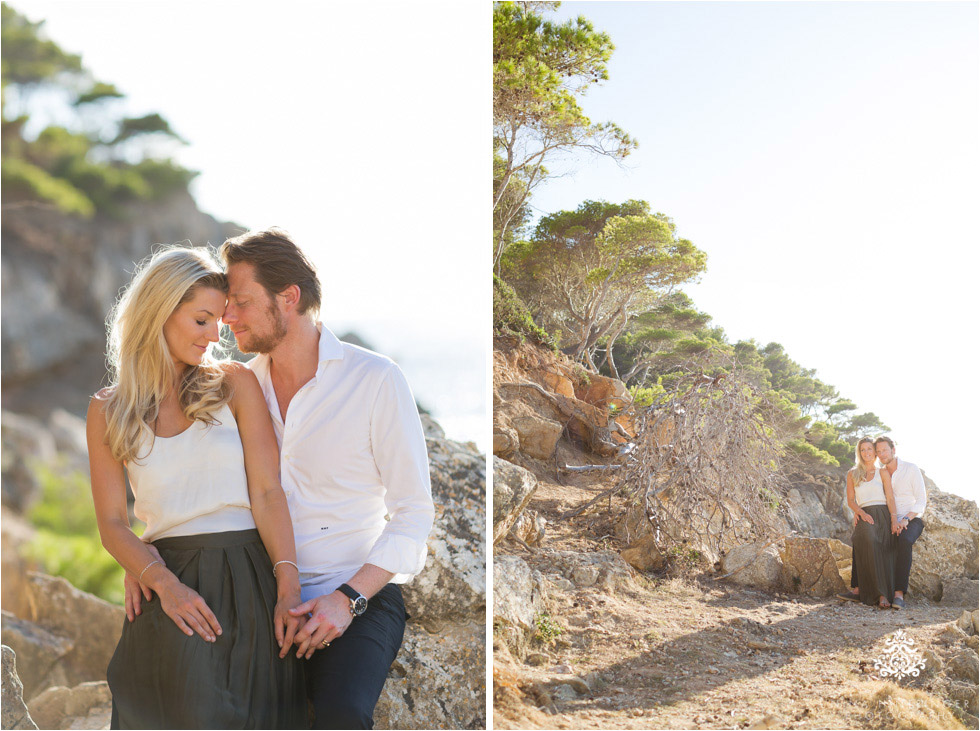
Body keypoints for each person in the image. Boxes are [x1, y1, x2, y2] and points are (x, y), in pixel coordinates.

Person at [131, 228, 436, 729]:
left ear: (288, 298)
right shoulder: (234, 387)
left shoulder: (376, 380)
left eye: (242, 303)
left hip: (354, 594)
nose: (227, 319)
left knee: (340, 714)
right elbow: (182, 478)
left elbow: (414, 515)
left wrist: (348, 600)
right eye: (226, 305)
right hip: (257, 595)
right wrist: (144, 556)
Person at [88, 247, 307, 728]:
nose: (215, 336)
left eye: (220, 322)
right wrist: (161, 582)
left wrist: (288, 583)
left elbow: (268, 493)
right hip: (167, 578)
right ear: (160, 311)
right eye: (202, 321)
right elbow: (110, 524)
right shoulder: (108, 409)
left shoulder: (234, 383)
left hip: (247, 575)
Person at [837, 437, 898, 608]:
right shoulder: (852, 474)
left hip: (883, 514)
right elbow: (850, 500)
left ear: (875, 452)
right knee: (865, 539)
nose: (866, 453)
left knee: (879, 545)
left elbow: (890, 497)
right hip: (865, 514)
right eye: (862, 450)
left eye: (869, 449)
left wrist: (894, 518)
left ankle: (881, 595)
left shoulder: (883, 472)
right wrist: (860, 513)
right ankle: (867, 592)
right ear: (859, 452)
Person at [875, 436, 927, 610]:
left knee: (904, 541)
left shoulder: (911, 469)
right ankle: (881, 592)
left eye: (885, 450)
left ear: (893, 450)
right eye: (878, 451)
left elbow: (921, 501)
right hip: (890, 519)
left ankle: (899, 594)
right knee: (880, 543)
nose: (882, 454)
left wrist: (905, 519)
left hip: (912, 518)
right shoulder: (879, 473)